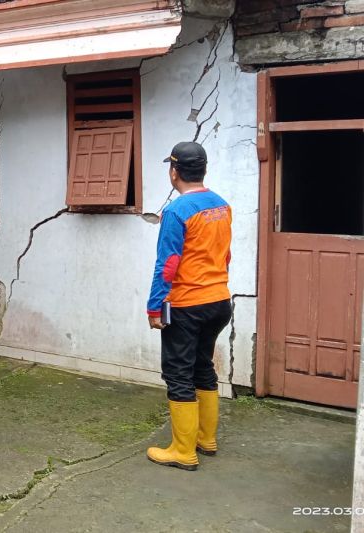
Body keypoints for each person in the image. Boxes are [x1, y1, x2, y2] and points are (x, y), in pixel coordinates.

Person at [145, 142, 232, 471]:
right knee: (202, 367)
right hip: (219, 301)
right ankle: (205, 439)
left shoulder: (176, 211)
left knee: (178, 373)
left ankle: (183, 451)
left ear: (174, 171)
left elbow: (167, 265)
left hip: (187, 305)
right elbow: (225, 256)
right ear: (204, 170)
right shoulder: (222, 206)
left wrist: (155, 308)